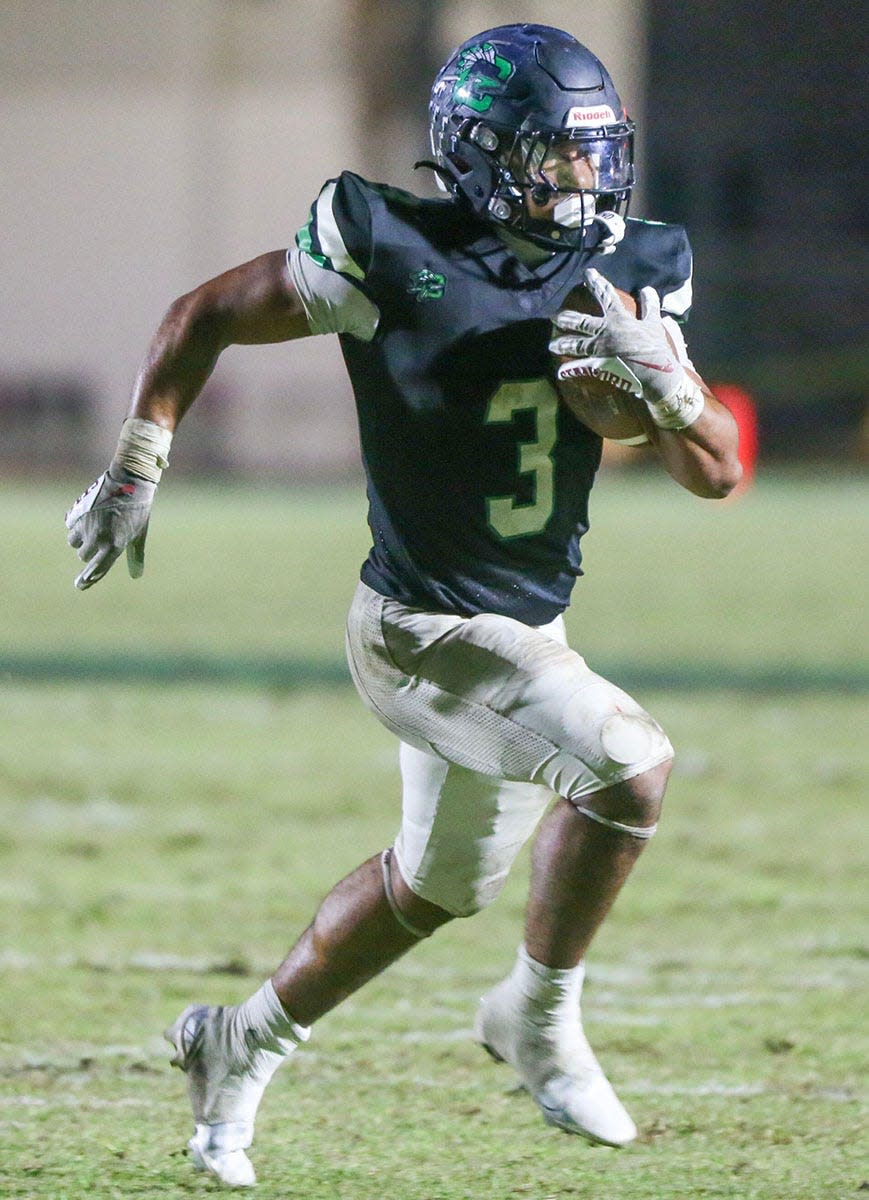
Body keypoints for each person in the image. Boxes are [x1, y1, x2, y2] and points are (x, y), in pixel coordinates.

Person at [65, 23, 741, 1188]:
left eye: (591, 154)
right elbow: (204, 311)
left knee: (430, 888)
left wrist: (670, 393)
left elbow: (716, 472)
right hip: (415, 629)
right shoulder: (388, 245)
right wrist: (137, 464)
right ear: (477, 156)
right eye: (551, 157)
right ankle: (538, 1014)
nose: (581, 181)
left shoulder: (628, 261)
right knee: (627, 766)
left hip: (524, 627)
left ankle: (238, 1044)